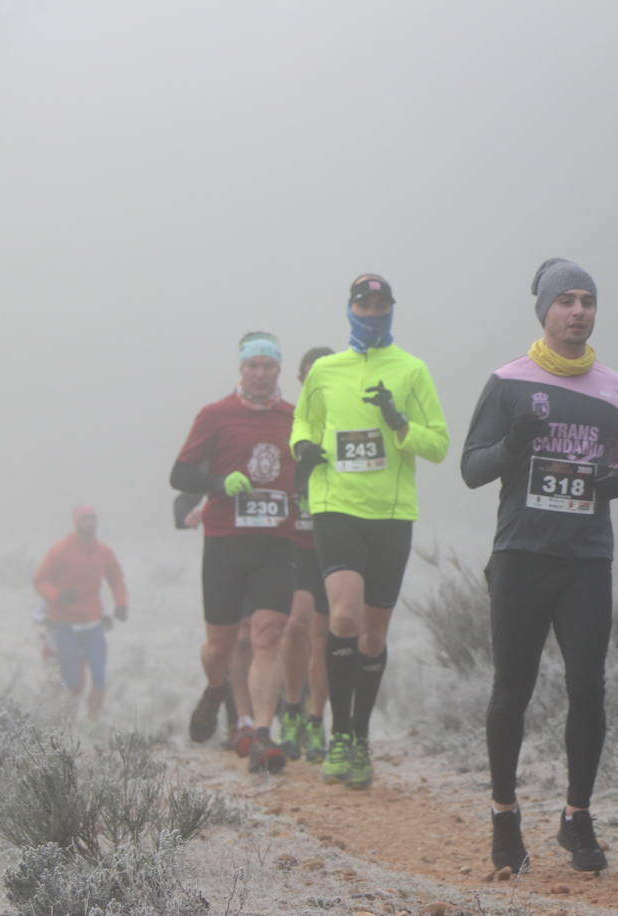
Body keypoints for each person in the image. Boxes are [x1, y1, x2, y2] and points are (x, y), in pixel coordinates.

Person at [462, 258, 618, 874]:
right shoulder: (508, 381)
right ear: (544, 310)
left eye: (587, 301)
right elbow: (471, 468)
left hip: (586, 557)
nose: (578, 311)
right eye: (565, 300)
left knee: (587, 688)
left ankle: (577, 816)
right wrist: (515, 442)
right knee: (512, 690)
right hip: (521, 554)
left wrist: (617, 479)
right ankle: (505, 815)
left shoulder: (614, 387)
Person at [289, 273, 448, 789]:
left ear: (391, 310)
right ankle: (338, 733)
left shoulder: (412, 369)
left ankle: (359, 735)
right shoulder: (326, 371)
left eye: (380, 304)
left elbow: (438, 444)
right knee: (343, 614)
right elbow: (304, 424)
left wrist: (397, 420)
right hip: (335, 505)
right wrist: (303, 450)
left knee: (374, 635)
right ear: (350, 309)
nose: (372, 311)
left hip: (391, 513)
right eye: (364, 303)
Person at [172, 330, 302, 774]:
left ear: (279, 370)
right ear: (241, 369)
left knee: (268, 635)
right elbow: (180, 474)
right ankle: (214, 692)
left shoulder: (295, 416)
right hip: (226, 541)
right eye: (253, 366)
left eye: (269, 366)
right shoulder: (215, 415)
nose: (261, 374)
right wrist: (218, 484)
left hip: (275, 542)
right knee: (220, 647)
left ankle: (259, 730)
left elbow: (308, 468)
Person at [276, 345, 336, 763]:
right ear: (300, 380)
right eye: (310, 375)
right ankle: (292, 708)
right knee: (296, 624)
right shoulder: (287, 421)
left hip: (333, 540)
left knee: (324, 635)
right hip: (292, 541)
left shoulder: (343, 423)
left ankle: (316, 719)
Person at [33, 506, 128, 719]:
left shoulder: (104, 552)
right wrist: (58, 596)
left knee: (99, 676)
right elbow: (40, 580)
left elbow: (116, 579)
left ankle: (92, 722)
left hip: (93, 625)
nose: (90, 522)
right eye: (85, 518)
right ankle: (67, 722)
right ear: (76, 522)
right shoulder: (60, 550)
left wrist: (121, 603)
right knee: (74, 681)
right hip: (65, 626)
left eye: (93, 518)